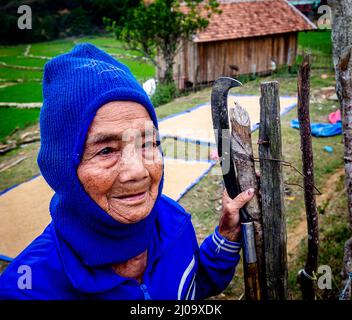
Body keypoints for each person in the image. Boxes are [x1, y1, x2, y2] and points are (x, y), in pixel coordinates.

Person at [0, 43, 254, 300]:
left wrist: (226, 236)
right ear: (62, 168)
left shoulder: (171, 220)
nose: (138, 171)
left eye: (148, 143)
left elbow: (190, 287)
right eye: (106, 151)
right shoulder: (28, 289)